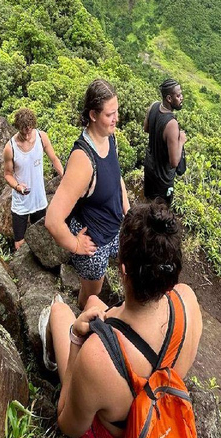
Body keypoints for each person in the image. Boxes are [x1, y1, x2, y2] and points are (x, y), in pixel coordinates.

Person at [39, 200, 202, 438]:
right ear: (171, 275)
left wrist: (77, 339)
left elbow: (69, 425)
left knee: (60, 312)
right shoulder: (188, 301)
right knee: (93, 302)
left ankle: (54, 346)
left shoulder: (98, 357)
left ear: (123, 270)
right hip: (154, 415)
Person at [45, 79, 130, 309]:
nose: (116, 119)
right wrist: (75, 245)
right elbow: (52, 220)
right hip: (93, 241)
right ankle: (81, 316)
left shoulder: (109, 137)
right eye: (110, 114)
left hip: (115, 225)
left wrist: (128, 214)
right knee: (94, 294)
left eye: (117, 111)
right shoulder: (83, 161)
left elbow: (116, 176)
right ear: (93, 115)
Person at [3, 108, 64, 251]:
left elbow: (54, 159)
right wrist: (18, 186)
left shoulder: (42, 137)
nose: (27, 134)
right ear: (18, 128)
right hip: (21, 202)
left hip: (39, 199)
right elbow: (7, 174)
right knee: (19, 242)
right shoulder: (10, 147)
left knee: (40, 238)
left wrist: (64, 176)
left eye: (29, 130)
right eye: (23, 131)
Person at [143, 78, 187, 204]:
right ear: (169, 98)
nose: (181, 98)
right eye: (178, 95)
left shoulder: (154, 106)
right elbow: (174, 162)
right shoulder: (171, 123)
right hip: (162, 179)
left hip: (149, 169)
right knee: (161, 213)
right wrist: (181, 141)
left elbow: (146, 128)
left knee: (148, 205)